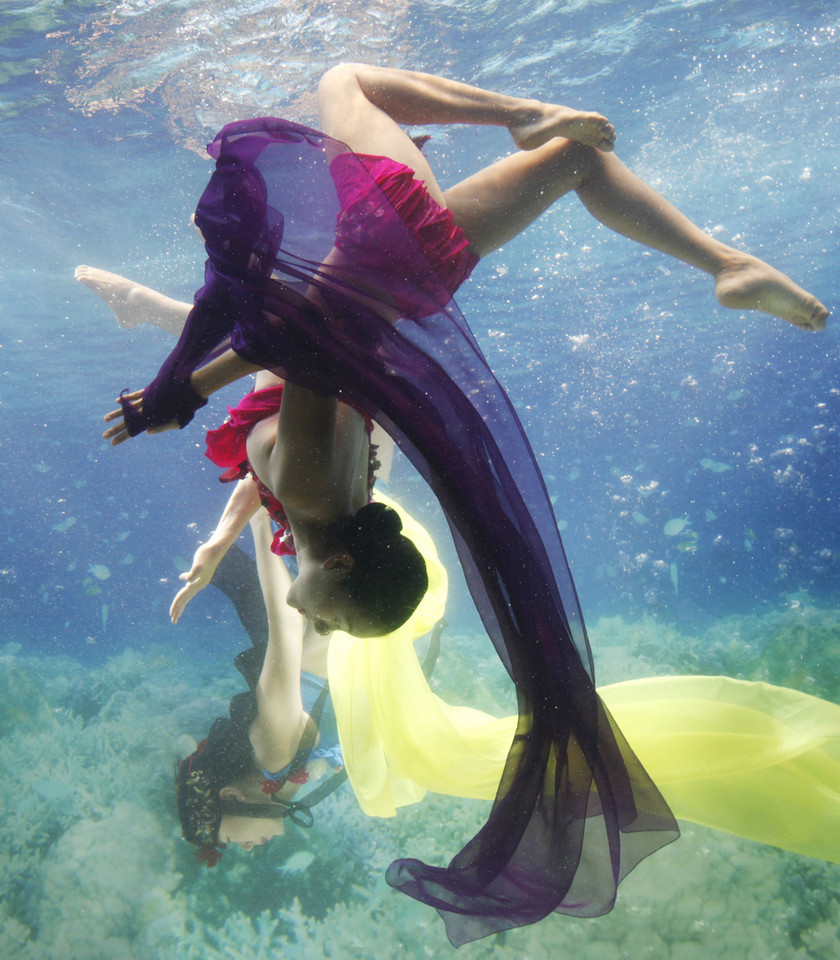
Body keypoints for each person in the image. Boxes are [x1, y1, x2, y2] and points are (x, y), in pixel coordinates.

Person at [94, 64, 828, 944]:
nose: (310, 615)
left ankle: (727, 264)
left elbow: (286, 399)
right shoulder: (320, 492)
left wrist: (216, 529)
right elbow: (293, 338)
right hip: (377, 252)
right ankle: (526, 109)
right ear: (340, 565)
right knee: (344, 81)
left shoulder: (331, 504)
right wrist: (177, 390)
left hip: (405, 281)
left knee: (577, 167)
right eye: (331, 610)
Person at [177, 505, 345, 862]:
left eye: (230, 841)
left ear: (232, 797)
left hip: (349, 584)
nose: (249, 848)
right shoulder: (284, 770)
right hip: (343, 583)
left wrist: (257, 520)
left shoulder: (273, 753)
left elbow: (284, 626)